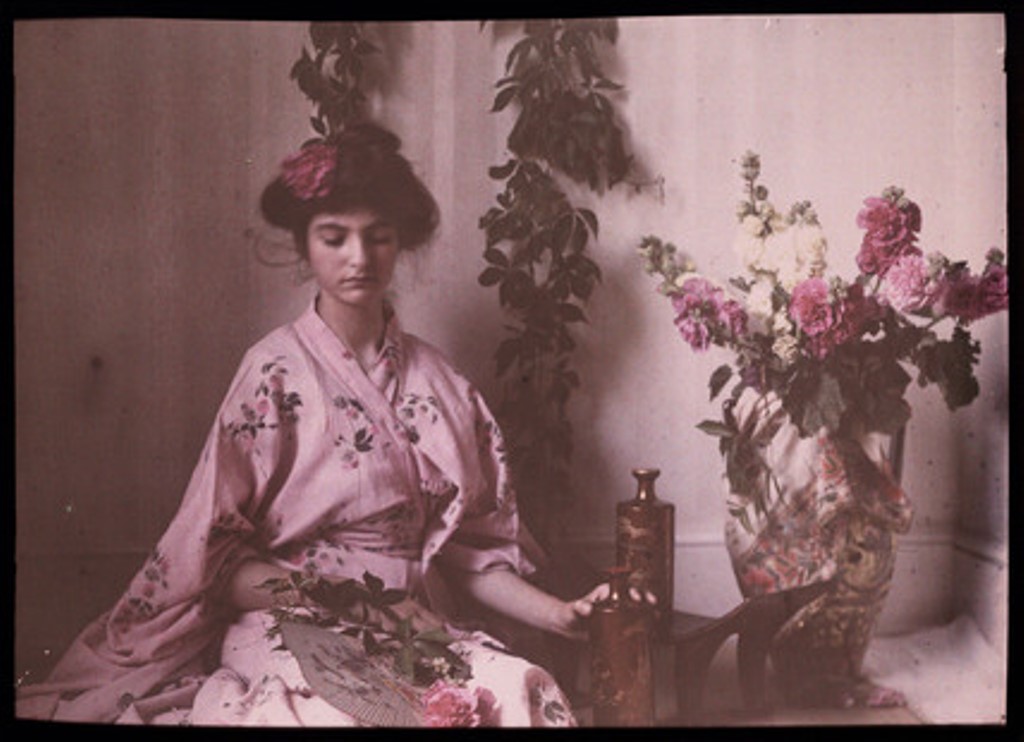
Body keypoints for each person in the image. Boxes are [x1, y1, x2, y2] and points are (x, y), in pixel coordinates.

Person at [16, 123, 613, 727]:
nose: (359, 258)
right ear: (305, 248)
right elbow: (219, 564)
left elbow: (471, 554)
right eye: (335, 238)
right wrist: (368, 609)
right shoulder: (272, 374)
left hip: (420, 625)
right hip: (297, 622)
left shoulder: (442, 384)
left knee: (516, 692)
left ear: (399, 243)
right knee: (348, 717)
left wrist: (558, 614)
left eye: (378, 237)